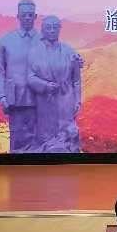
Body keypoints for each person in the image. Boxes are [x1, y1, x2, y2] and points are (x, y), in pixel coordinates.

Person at [27, 15, 84, 152]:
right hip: (45, 100)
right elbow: (30, 77)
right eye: (48, 27)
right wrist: (46, 86)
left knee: (68, 135)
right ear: (43, 30)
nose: (52, 30)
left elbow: (76, 79)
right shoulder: (35, 52)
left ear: (59, 29)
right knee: (46, 137)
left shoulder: (69, 51)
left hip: (66, 99)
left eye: (55, 27)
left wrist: (77, 100)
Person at [0, 0, 40, 152]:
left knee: (39, 144)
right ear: (18, 16)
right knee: (17, 143)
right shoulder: (5, 42)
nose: (27, 18)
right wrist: (1, 97)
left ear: (35, 16)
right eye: (24, 15)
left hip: (40, 101)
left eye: (30, 15)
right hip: (15, 101)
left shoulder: (45, 41)